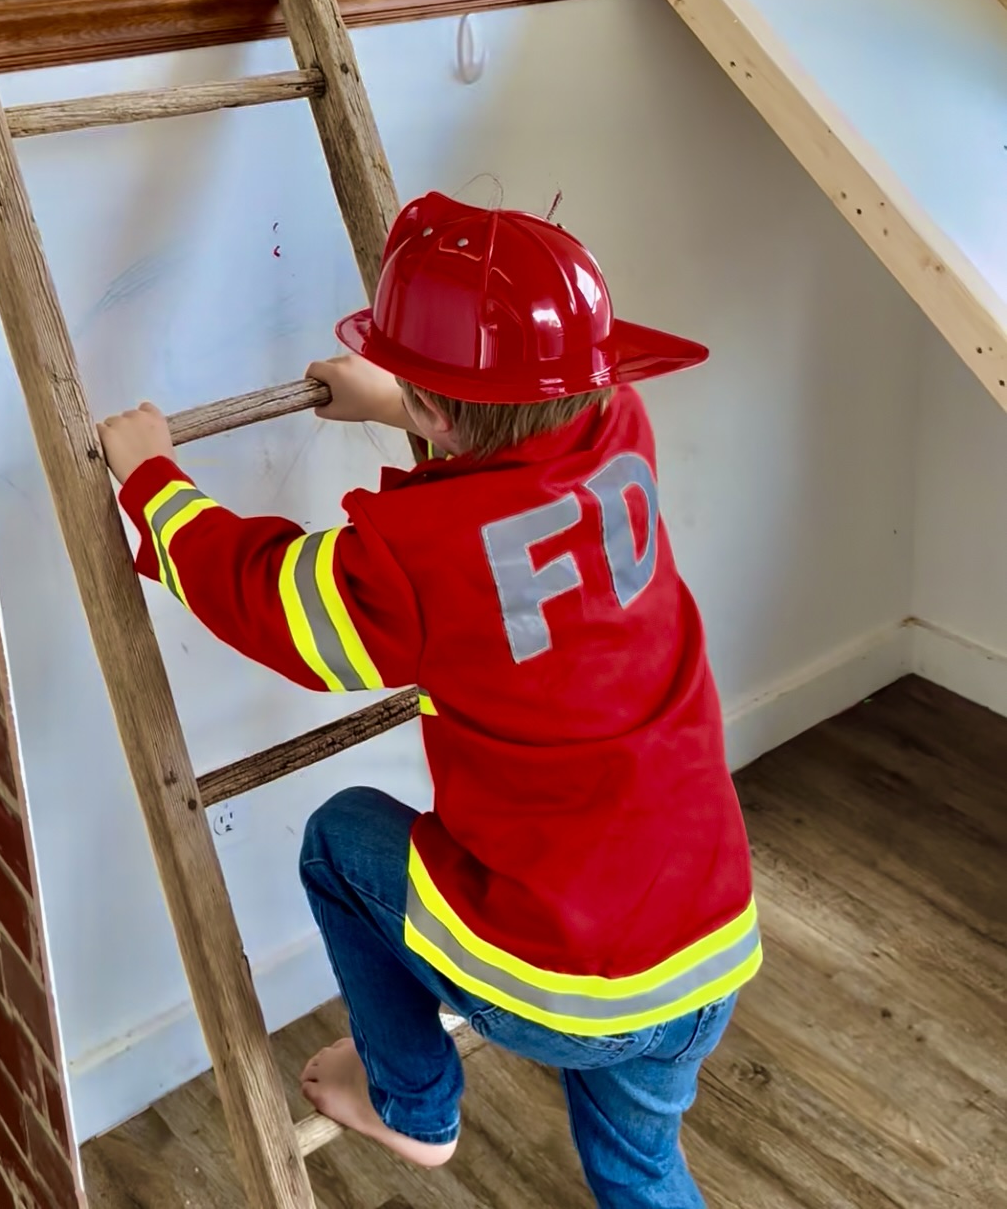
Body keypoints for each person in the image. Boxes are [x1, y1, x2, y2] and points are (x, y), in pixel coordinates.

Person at [99, 191, 760, 1208]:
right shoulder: (618, 428)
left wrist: (154, 481)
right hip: (704, 936)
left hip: (563, 968)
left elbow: (272, 600)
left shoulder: (411, 559)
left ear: (437, 409)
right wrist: (394, 403)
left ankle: (410, 1099)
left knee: (337, 837)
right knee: (639, 1163)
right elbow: (508, 474)